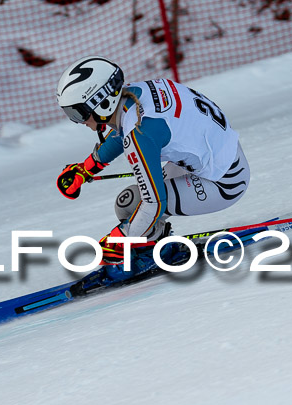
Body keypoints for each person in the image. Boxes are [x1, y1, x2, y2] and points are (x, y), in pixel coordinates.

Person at [56, 56, 250, 269]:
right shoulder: (137, 94)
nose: (79, 121)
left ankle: (155, 252)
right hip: (220, 160)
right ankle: (154, 244)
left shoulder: (140, 133)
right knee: (133, 204)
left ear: (102, 101)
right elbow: (124, 127)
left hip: (225, 183)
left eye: (78, 113)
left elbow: (154, 203)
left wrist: (120, 239)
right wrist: (87, 168)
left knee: (133, 207)